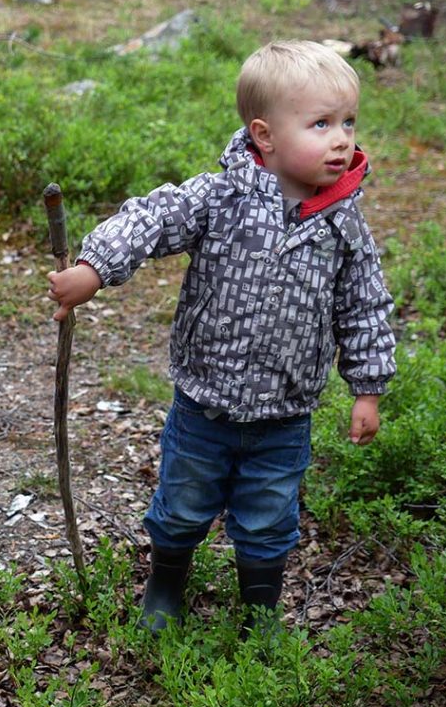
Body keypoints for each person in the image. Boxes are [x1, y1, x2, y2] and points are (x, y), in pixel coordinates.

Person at [47, 40, 396, 638]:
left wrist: (368, 388)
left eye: (348, 122)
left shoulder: (344, 223)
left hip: (285, 415)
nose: (342, 139)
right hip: (203, 405)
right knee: (182, 505)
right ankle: (165, 587)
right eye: (320, 124)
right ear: (264, 135)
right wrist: (94, 269)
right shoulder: (219, 197)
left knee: (269, 518)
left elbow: (364, 305)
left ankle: (260, 611)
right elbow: (151, 219)